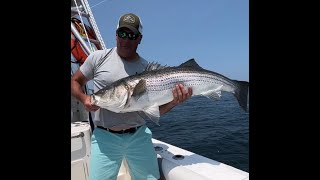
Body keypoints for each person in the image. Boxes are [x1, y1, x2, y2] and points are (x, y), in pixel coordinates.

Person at [71, 13, 192, 180]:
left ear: (139, 38)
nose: (126, 40)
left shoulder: (146, 68)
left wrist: (174, 102)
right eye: (122, 34)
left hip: (139, 136)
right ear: (116, 35)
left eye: (132, 35)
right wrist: (84, 98)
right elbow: (75, 81)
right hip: (104, 138)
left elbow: (154, 111)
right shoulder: (97, 58)